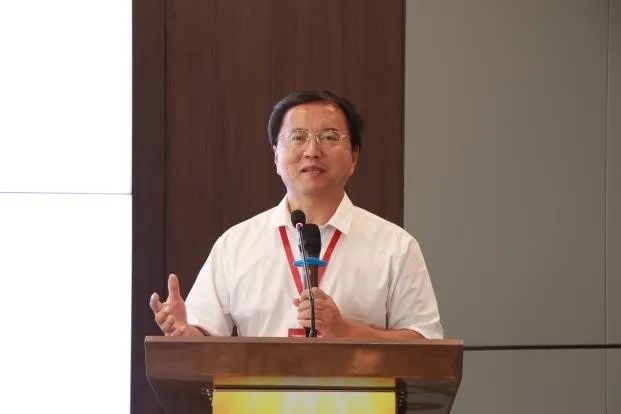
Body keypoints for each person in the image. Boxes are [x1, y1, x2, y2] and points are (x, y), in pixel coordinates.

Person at [149, 90, 443, 339]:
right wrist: (185, 332)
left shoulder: (395, 246)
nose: (312, 151)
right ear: (276, 155)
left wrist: (345, 331)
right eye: (298, 137)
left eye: (329, 137)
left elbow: (425, 345)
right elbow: (203, 338)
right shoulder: (235, 245)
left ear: (354, 156)